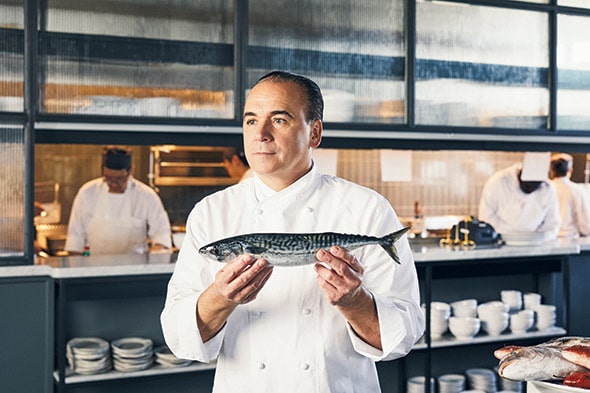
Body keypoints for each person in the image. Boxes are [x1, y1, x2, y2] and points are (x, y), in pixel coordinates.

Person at [161, 71, 424, 392]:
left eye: (280, 120)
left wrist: (354, 301)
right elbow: (177, 336)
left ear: (315, 133)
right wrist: (220, 298)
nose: (261, 134)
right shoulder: (211, 213)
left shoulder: (367, 208)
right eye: (251, 120)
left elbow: (403, 337)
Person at [65, 146, 172, 256]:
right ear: (102, 170)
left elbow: (161, 235)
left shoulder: (147, 196)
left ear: (131, 171)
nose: (114, 184)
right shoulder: (87, 193)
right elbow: (75, 239)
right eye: (109, 178)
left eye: (120, 179)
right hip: (94, 268)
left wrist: (156, 255)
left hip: (135, 269)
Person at [478, 161, 560, 238]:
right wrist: (510, 235)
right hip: (502, 242)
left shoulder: (548, 188)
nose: (530, 188)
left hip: (536, 245)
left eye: (534, 185)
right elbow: (486, 217)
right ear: (520, 173)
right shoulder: (498, 181)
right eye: (527, 183)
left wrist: (535, 238)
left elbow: (552, 223)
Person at [549, 153, 590, 238]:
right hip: (570, 239)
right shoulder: (578, 191)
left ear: (551, 171)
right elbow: (585, 226)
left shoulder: (545, 189)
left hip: (548, 239)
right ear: (570, 170)